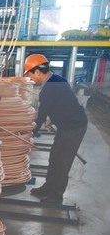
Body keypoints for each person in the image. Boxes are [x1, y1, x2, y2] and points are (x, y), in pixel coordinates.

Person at [24, 54, 88, 203]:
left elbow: (41, 116)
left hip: (73, 127)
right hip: (67, 126)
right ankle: (48, 187)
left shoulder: (50, 88)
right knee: (54, 157)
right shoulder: (56, 79)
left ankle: (56, 195)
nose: (31, 79)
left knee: (61, 161)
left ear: (38, 72)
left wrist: (30, 135)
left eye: (30, 74)